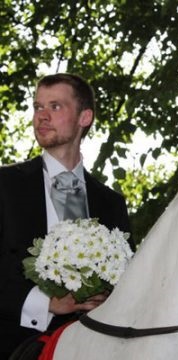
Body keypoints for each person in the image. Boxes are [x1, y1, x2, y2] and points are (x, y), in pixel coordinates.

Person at [0, 73, 135, 359]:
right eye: (38, 107)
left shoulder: (112, 203)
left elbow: (130, 283)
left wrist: (110, 299)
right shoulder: (5, 185)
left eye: (55, 106)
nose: (42, 116)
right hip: (14, 346)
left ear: (84, 117)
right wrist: (46, 302)